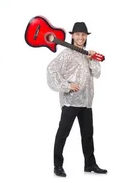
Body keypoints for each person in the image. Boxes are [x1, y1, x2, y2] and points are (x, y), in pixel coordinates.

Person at [47, 22, 107, 177]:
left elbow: (97, 73)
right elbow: (51, 69)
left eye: (83, 35)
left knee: (88, 134)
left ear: (86, 37)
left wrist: (92, 58)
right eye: (78, 34)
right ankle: (58, 165)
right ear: (72, 35)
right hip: (71, 101)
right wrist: (66, 85)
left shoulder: (88, 55)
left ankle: (90, 164)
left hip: (86, 102)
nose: (80, 37)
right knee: (63, 133)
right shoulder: (67, 54)